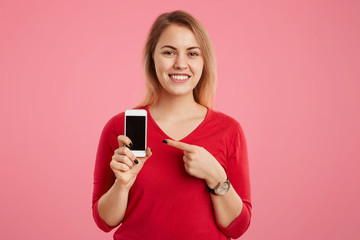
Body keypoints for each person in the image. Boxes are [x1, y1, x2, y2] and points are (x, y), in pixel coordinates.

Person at [92, 10, 252, 240]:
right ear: (152, 58)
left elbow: (237, 228)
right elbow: (105, 222)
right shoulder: (120, 128)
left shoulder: (228, 130)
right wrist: (122, 185)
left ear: (204, 61)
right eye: (169, 52)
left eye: (192, 53)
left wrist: (217, 178)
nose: (180, 64)